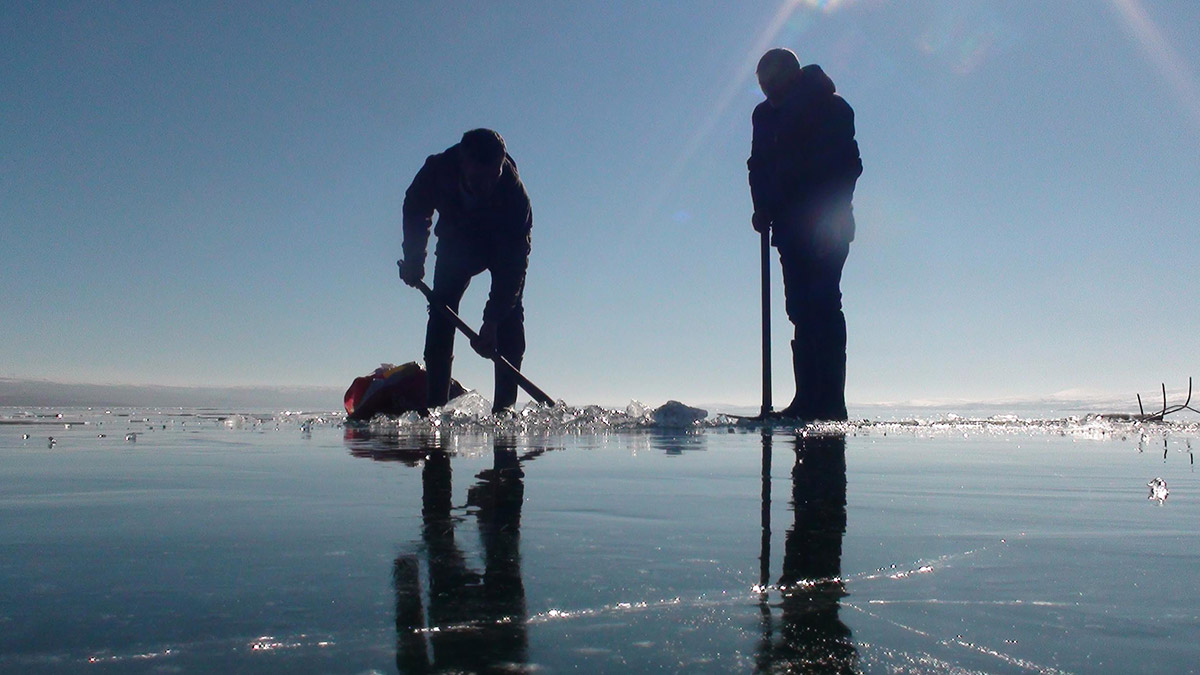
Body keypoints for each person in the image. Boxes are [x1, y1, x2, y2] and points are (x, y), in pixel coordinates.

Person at [748, 48, 862, 421]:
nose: (768, 93)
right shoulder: (764, 116)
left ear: (792, 77)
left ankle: (829, 403)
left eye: (773, 85)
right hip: (788, 228)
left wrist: (827, 217)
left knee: (822, 306)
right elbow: (758, 165)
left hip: (827, 227)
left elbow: (847, 167)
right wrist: (761, 206)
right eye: (763, 87)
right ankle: (805, 400)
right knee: (799, 308)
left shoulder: (831, 108)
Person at [399, 129, 533, 413]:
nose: (484, 187)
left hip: (501, 248)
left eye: (491, 179)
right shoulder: (438, 169)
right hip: (456, 243)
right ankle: (436, 406)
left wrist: (492, 321)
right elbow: (415, 208)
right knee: (440, 312)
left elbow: (514, 266)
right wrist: (413, 259)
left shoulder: (516, 199)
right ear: (463, 164)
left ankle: (504, 410)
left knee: (509, 318)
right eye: (476, 179)